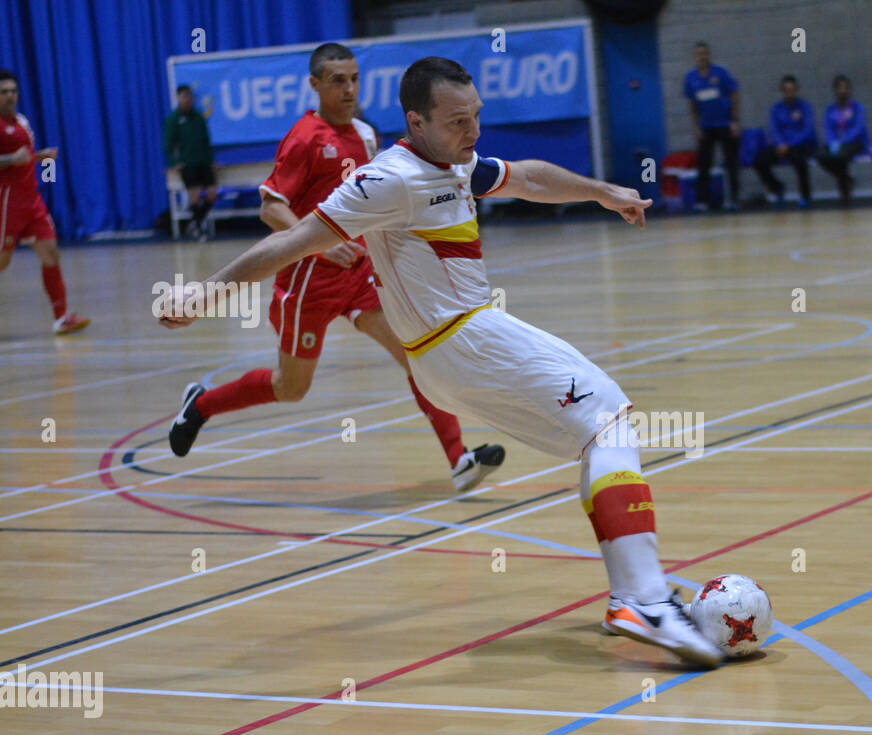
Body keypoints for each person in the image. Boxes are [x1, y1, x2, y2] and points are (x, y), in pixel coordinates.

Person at [157, 56, 724, 668]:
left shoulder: (453, 163)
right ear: (416, 122)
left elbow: (527, 178)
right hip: (464, 338)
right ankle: (641, 597)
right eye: (457, 121)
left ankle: (633, 593)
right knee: (609, 417)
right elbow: (288, 240)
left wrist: (600, 192)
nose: (472, 131)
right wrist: (204, 292)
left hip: (447, 353)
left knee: (600, 433)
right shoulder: (390, 180)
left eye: (477, 116)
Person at [165, 44, 504, 494]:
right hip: (307, 283)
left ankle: (459, 459)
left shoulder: (365, 135)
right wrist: (324, 247)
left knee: (417, 358)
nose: (348, 89)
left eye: (354, 79)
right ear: (315, 85)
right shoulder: (305, 138)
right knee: (292, 387)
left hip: (360, 276)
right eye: (337, 80)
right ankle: (202, 405)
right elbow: (271, 209)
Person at [0, 70, 90, 334]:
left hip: (32, 199)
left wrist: (39, 156)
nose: (10, 96)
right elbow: (12, 160)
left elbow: (22, 157)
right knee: (3, 262)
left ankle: (61, 318)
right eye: (4, 92)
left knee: (51, 252)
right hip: (7, 202)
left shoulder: (21, 121)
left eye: (13, 91)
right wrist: (9, 160)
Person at [683, 42, 741, 211]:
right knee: (704, 164)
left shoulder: (720, 73)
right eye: (699, 54)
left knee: (731, 162)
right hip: (706, 126)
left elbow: (734, 94)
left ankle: (734, 199)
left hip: (725, 124)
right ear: (695, 56)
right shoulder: (691, 77)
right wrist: (697, 127)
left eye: (704, 53)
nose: (702, 57)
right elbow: (692, 104)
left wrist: (735, 121)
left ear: (709, 54)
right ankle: (703, 201)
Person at [753, 75, 817, 207]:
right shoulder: (776, 109)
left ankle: (805, 195)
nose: (789, 93)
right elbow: (774, 129)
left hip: (799, 144)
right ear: (782, 91)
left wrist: (789, 144)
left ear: (796, 90)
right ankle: (777, 187)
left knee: (800, 161)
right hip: (781, 145)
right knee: (759, 160)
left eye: (792, 90)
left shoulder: (804, 107)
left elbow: (807, 130)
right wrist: (780, 143)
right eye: (786, 90)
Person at [164, 85, 218, 240]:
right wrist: (175, 162)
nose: (187, 100)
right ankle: (199, 229)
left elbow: (206, 141)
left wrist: (211, 160)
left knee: (212, 193)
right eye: (184, 97)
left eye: (190, 97)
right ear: (178, 98)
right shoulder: (174, 120)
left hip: (203, 162)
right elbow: (167, 144)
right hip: (188, 164)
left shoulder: (199, 118)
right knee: (194, 195)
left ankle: (195, 222)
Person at [816, 75, 868, 204]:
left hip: (854, 142)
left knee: (841, 156)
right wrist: (833, 142)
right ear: (835, 90)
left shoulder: (857, 108)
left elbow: (858, 128)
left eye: (845, 88)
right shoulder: (830, 110)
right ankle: (846, 179)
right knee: (820, 155)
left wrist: (842, 142)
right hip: (835, 143)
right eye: (840, 88)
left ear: (850, 90)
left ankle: (844, 194)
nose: (843, 91)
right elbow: (828, 128)